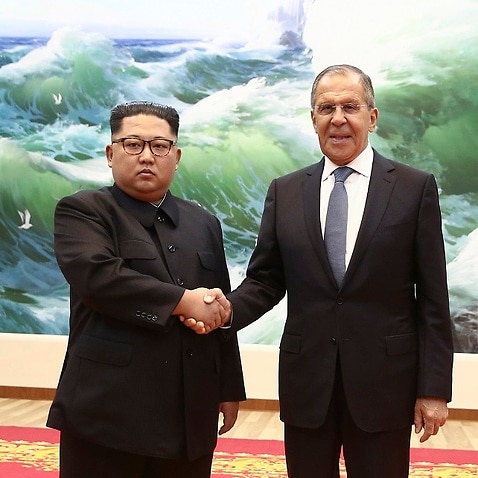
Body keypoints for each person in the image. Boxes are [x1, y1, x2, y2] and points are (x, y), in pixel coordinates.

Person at [184, 65, 454, 477]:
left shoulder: (413, 188)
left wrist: (433, 389)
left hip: (385, 384)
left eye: (350, 106)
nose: (338, 118)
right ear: (313, 119)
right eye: (326, 108)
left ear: (372, 117)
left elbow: (434, 299)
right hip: (307, 382)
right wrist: (225, 311)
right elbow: (266, 280)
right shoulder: (286, 191)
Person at [47, 101, 246, 478]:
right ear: (110, 153)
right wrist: (182, 301)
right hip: (106, 413)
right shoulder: (84, 211)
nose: (146, 156)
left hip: (188, 414)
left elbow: (221, 307)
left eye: (160, 146)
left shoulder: (204, 223)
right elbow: (99, 277)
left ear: (177, 155)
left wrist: (228, 386)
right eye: (133, 144)